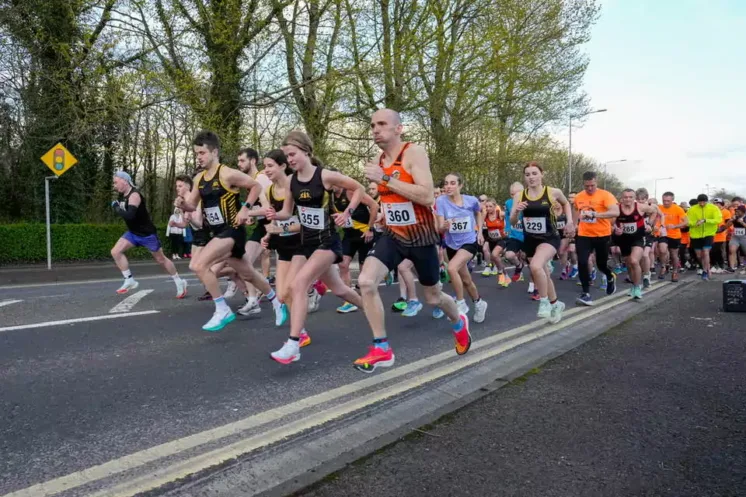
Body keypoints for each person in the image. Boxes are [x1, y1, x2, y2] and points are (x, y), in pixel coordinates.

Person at [355, 108, 471, 373]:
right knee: (365, 281)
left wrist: (384, 179)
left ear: (399, 128)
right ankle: (381, 348)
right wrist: (384, 212)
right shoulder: (379, 158)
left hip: (421, 238)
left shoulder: (414, 153)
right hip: (394, 235)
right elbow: (389, 196)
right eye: (372, 124)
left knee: (433, 297)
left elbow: (427, 196)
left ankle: (458, 322)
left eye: (382, 124)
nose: (375, 129)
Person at [265, 131, 366, 364]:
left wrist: (347, 212)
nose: (289, 160)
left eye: (293, 154)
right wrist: (273, 214)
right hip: (307, 243)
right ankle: (369, 308)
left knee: (298, 284)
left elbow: (358, 188)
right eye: (287, 156)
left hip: (328, 242)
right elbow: (287, 212)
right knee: (339, 289)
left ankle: (293, 344)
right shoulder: (292, 181)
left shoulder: (325, 176)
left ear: (306, 152)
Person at [177, 131, 283, 331]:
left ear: (214, 151)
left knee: (198, 265)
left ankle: (222, 309)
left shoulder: (227, 173)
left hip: (232, 230)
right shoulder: (199, 178)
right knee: (248, 273)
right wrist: (182, 204)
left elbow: (255, 187)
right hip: (216, 232)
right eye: (196, 153)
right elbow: (191, 206)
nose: (198, 157)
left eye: (202, 152)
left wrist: (245, 208)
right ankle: (277, 302)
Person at [510, 162, 572, 322]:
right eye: (528, 174)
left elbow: (566, 203)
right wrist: (517, 211)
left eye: (534, 173)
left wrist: (570, 222)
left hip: (549, 238)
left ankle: (544, 301)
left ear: (541, 174)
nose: (531, 177)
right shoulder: (519, 196)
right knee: (543, 273)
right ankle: (556, 303)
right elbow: (512, 221)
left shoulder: (553, 192)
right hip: (530, 239)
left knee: (535, 266)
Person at [111, 171, 188, 298]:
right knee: (115, 252)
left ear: (124, 181)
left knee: (161, 259)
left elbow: (130, 215)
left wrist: (116, 208)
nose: (114, 185)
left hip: (147, 235)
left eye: (116, 182)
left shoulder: (134, 195)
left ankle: (179, 282)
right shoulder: (124, 196)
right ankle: (129, 280)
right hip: (133, 233)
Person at [435, 172, 489, 323]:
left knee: (451, 268)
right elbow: (440, 228)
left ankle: (460, 303)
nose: (448, 186)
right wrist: (443, 226)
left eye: (452, 183)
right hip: (452, 245)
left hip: (469, 242)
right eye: (446, 183)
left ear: (460, 185)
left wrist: (479, 230)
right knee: (466, 280)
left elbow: (479, 212)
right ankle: (479, 303)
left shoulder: (470, 200)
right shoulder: (440, 201)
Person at [332, 173, 379, 314]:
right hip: (348, 235)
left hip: (364, 234)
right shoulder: (331, 197)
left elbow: (374, 205)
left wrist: (370, 229)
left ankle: (368, 300)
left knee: (363, 272)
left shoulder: (350, 192)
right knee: (342, 264)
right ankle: (349, 301)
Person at [573, 171, 620, 306]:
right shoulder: (579, 196)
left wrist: (596, 215)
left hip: (602, 234)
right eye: (587, 186)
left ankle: (610, 276)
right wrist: (573, 224)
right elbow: (576, 209)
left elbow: (615, 212)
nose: (589, 188)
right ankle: (586, 293)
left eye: (592, 185)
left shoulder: (606, 195)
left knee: (601, 264)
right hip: (584, 234)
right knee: (582, 261)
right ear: (583, 184)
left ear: (596, 182)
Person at [613, 189, 658, 299]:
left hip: (638, 238)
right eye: (625, 197)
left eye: (630, 197)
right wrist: (615, 229)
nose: (628, 199)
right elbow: (610, 221)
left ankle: (637, 287)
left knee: (634, 260)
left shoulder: (640, 207)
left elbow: (655, 210)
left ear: (634, 198)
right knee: (628, 263)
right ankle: (633, 285)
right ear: (622, 198)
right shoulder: (617, 208)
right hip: (624, 239)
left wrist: (649, 224)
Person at [686, 194, 722, 281]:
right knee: (699, 255)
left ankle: (705, 271)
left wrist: (705, 220)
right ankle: (705, 268)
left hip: (708, 234)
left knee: (706, 252)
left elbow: (718, 220)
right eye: (700, 202)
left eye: (704, 202)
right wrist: (695, 223)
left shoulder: (713, 208)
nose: (702, 204)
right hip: (695, 234)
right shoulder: (692, 209)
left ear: (707, 201)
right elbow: (687, 221)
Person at [656, 192, 688, 282]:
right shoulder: (659, 208)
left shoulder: (678, 209)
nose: (665, 203)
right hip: (663, 234)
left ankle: (675, 272)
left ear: (672, 200)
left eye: (668, 201)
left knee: (674, 255)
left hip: (675, 235)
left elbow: (686, 222)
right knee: (662, 250)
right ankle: (663, 267)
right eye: (664, 200)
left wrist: (675, 226)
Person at [504, 181, 527, 286]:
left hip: (528, 236)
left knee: (529, 259)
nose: (515, 196)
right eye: (513, 194)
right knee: (509, 255)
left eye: (518, 194)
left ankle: (535, 286)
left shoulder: (528, 202)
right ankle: (519, 265)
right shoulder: (508, 203)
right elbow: (507, 217)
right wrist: (507, 228)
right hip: (515, 235)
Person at [482, 198, 509, 286]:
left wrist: (508, 228)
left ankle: (500, 273)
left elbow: (510, 215)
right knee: (495, 258)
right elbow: (479, 221)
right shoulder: (485, 215)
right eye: (487, 206)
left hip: (501, 239)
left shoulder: (500, 214)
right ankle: (506, 276)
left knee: (494, 254)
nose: (488, 208)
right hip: (491, 240)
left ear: (495, 206)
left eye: (490, 206)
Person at [711, 198, 732, 273]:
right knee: (712, 251)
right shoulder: (712, 211)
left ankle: (720, 265)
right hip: (711, 233)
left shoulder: (726, 212)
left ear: (721, 204)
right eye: (714, 203)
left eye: (717, 203)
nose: (716, 205)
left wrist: (721, 229)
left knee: (716, 250)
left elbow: (728, 223)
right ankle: (714, 265)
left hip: (720, 234)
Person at [729, 204, 746, 272]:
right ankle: (732, 267)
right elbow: (728, 225)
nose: (737, 213)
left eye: (738, 211)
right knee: (731, 250)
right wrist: (731, 220)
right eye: (736, 211)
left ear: (743, 212)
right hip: (735, 236)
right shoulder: (735, 217)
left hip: (744, 237)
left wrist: (742, 222)